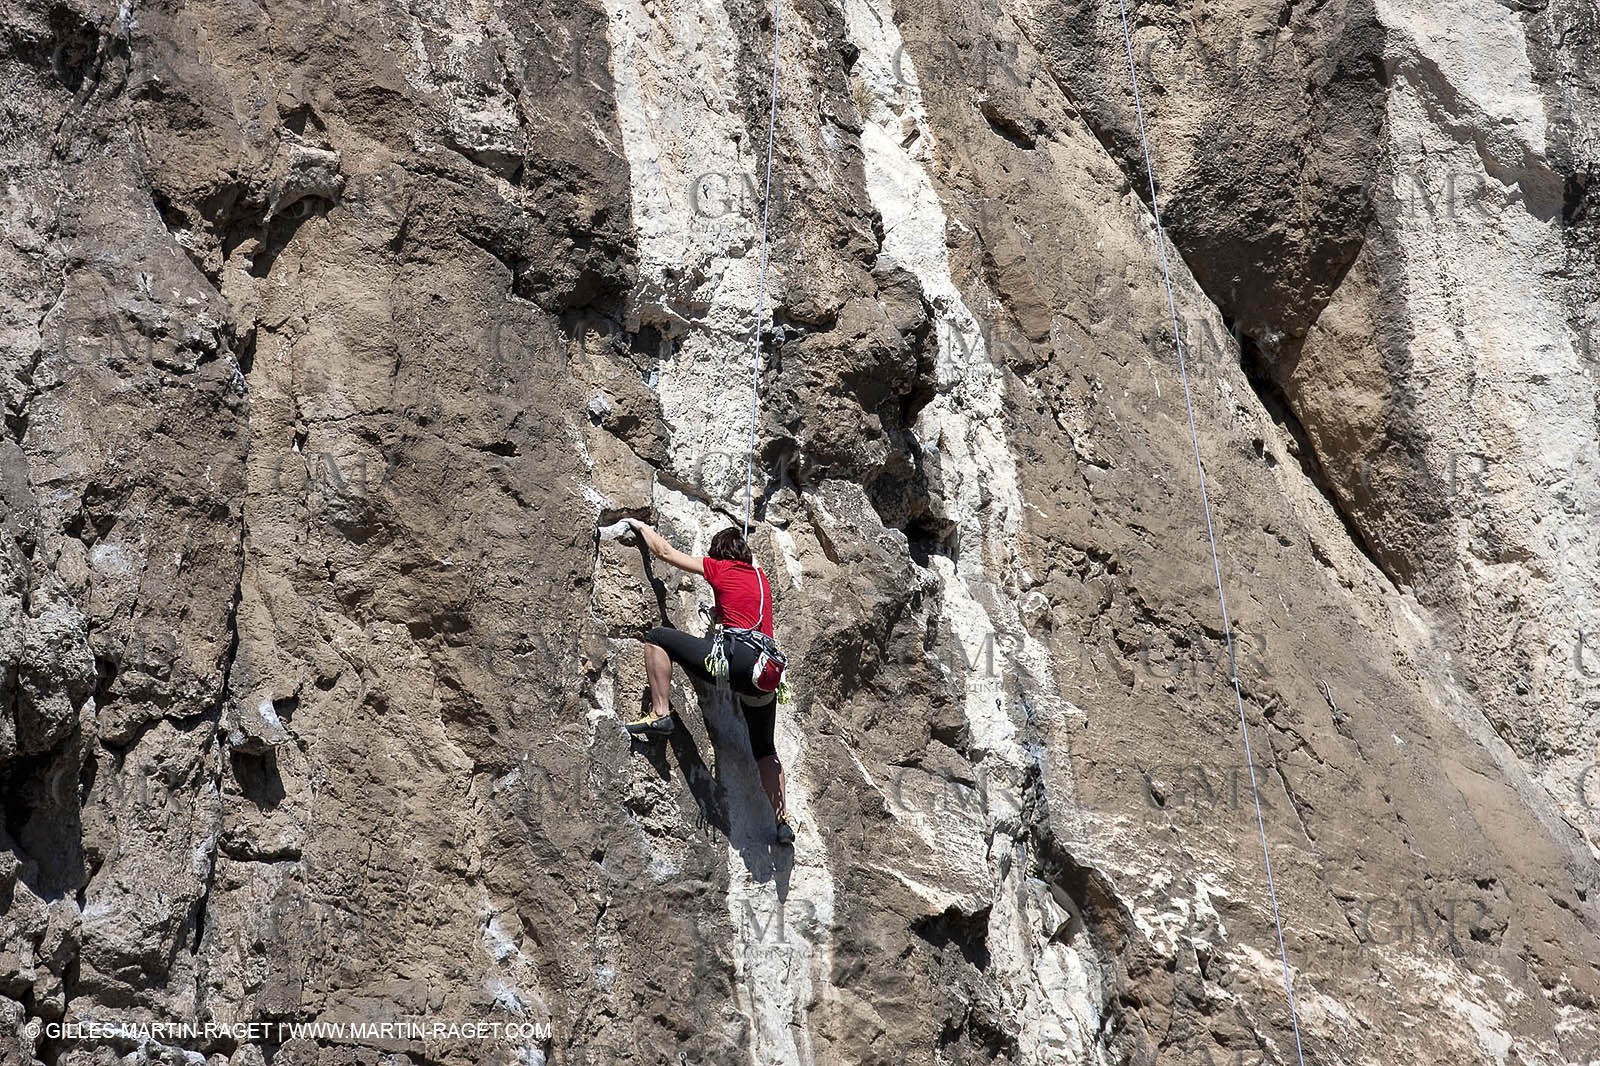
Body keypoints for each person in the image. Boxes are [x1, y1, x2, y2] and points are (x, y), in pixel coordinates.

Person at [622, 518, 794, 846]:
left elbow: (666, 552)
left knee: (657, 637)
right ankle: (782, 821)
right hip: (764, 673)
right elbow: (743, 609)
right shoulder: (761, 578)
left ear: (719, 554)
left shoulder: (719, 567)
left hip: (734, 660)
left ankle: (660, 713)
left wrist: (641, 526)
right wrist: (721, 612)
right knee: (765, 749)